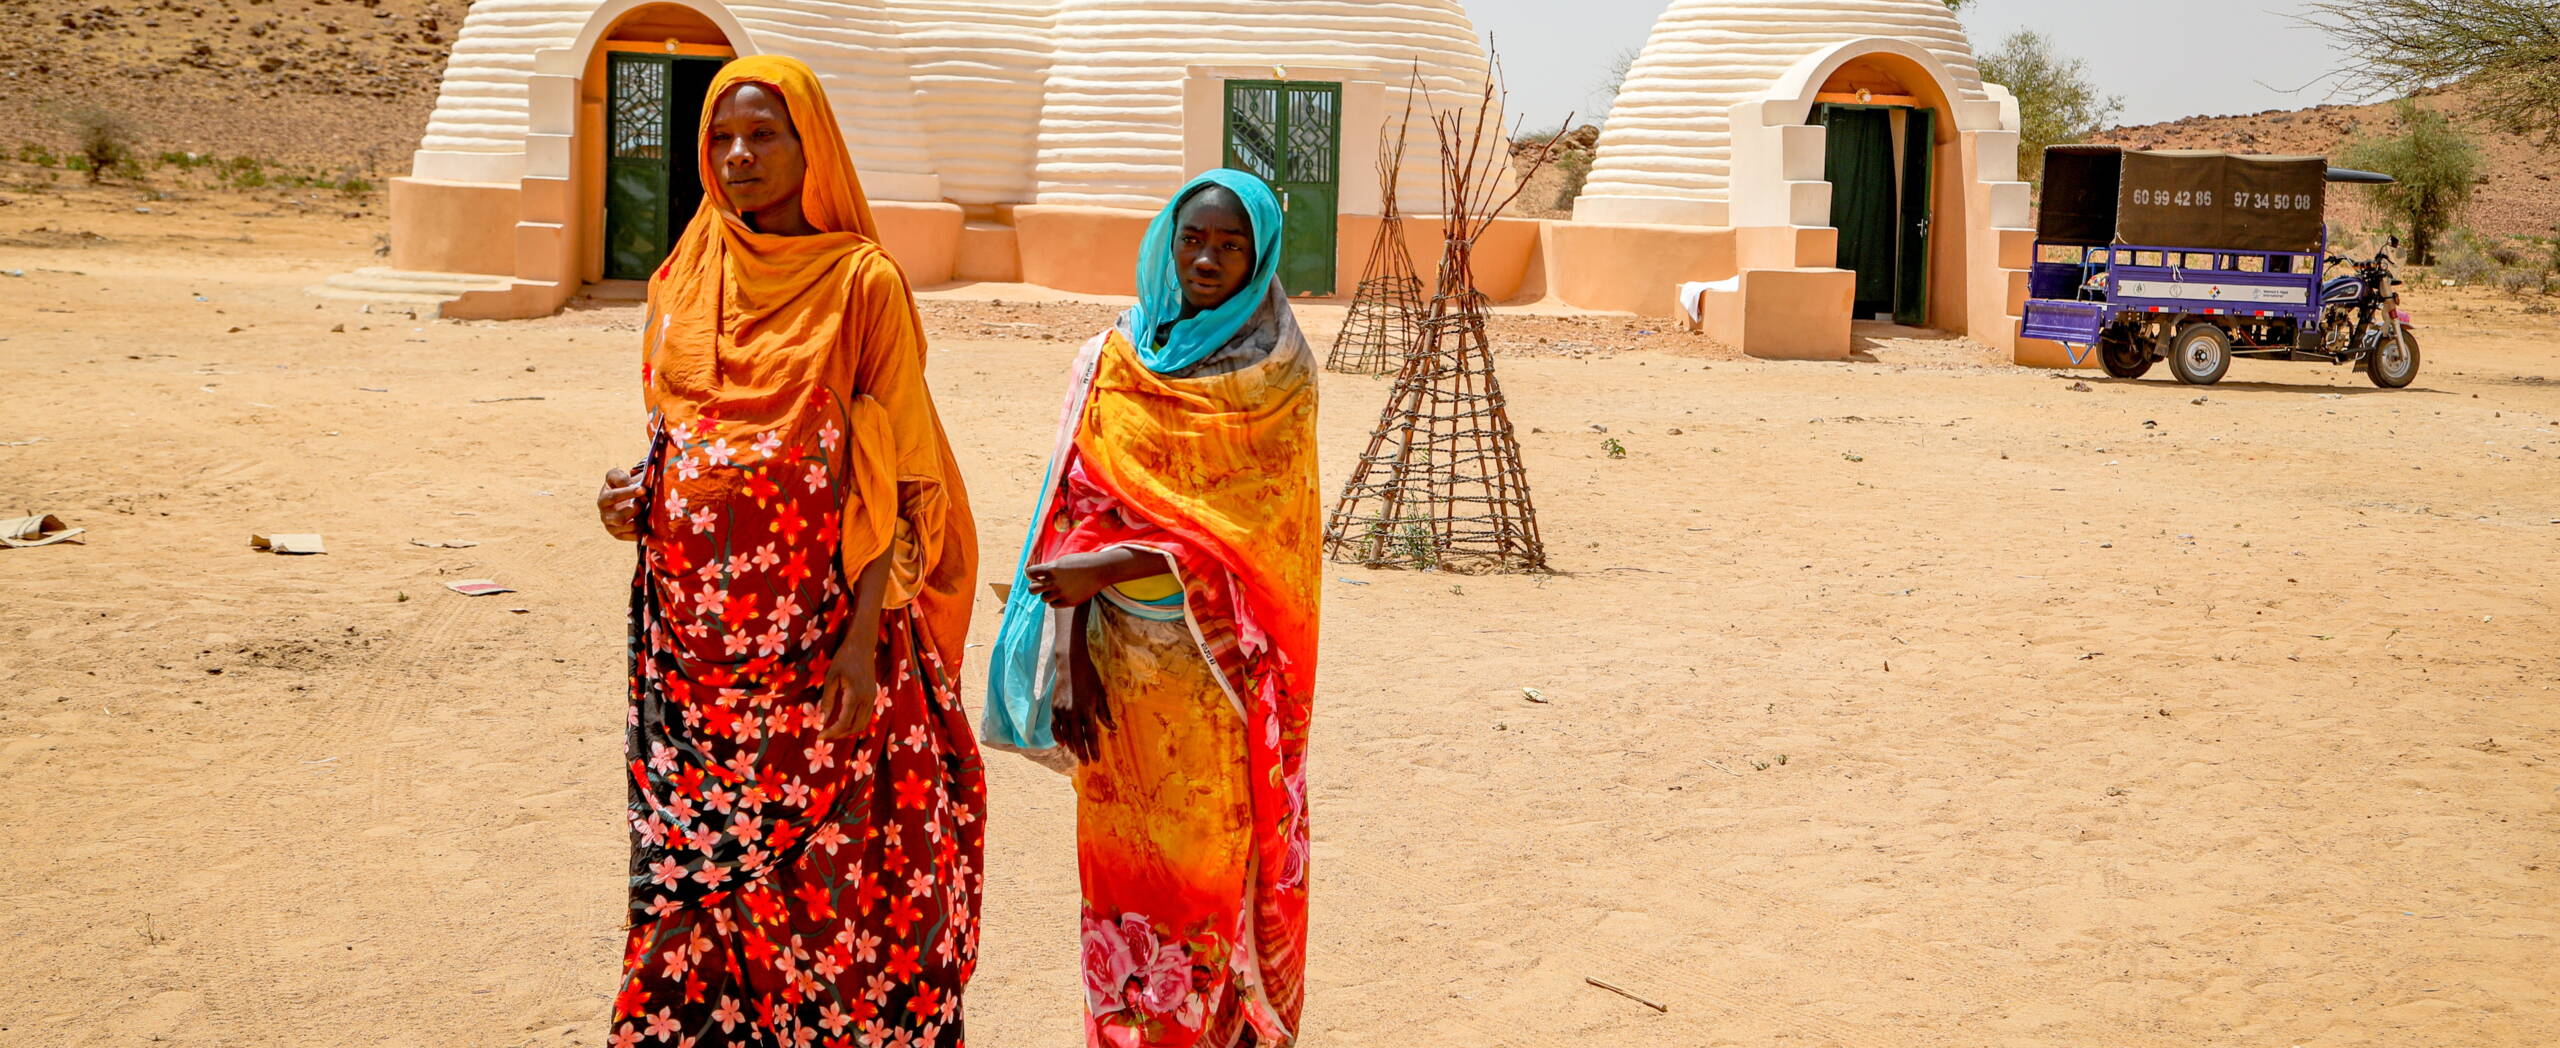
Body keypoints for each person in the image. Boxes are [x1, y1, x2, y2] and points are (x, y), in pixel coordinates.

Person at [592, 55, 982, 1048]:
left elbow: (896, 477)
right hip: (688, 664)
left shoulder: (863, 286)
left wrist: (860, 640)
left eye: (764, 134)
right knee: (690, 885)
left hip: (817, 651)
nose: (737, 156)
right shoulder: (684, 273)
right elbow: (673, 437)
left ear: (812, 147)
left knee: (814, 882)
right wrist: (632, 497)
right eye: (722, 137)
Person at [981, 170, 1321, 1048]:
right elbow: (1075, 513)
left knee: (1212, 877)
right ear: (1169, 242)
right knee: (1121, 881)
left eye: (1230, 244)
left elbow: (1256, 540)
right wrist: (1073, 664)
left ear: (1260, 256)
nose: (1207, 258)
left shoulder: (1276, 373)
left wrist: (1115, 563)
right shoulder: (1118, 357)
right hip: (1112, 681)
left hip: (1214, 690)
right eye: (1193, 239)